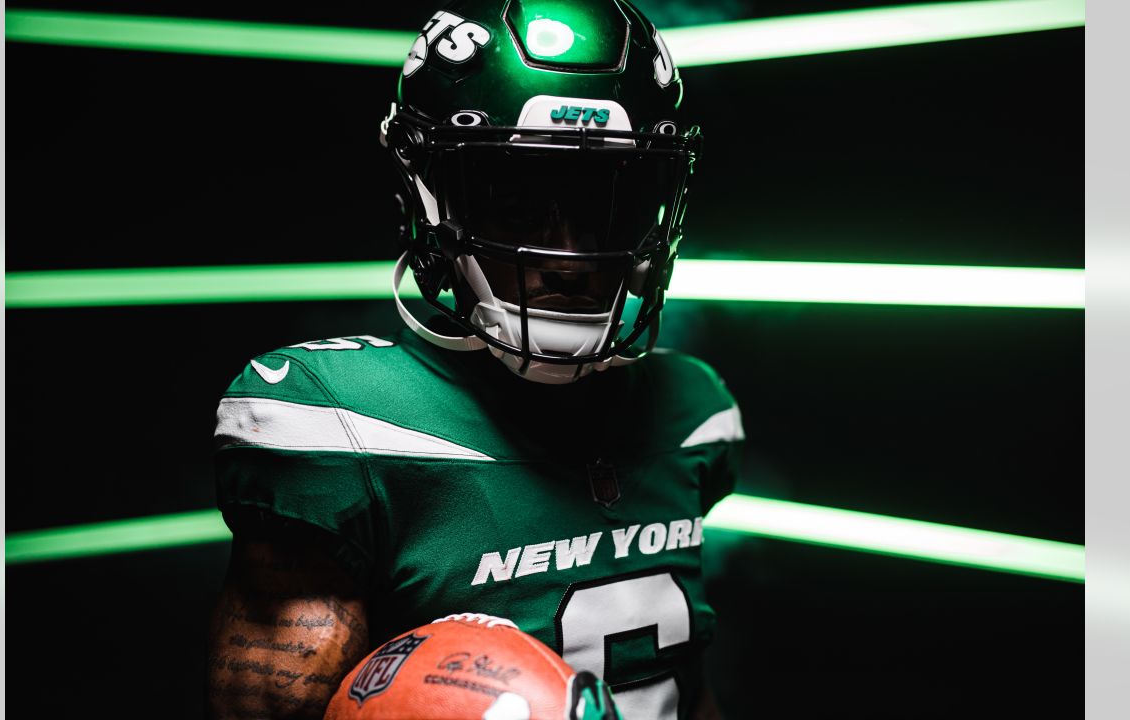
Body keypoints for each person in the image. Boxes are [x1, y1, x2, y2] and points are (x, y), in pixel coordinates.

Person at [206, 1, 744, 718]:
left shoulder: (691, 413)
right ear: (428, 198)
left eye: (608, 203)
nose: (569, 257)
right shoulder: (340, 428)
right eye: (517, 204)